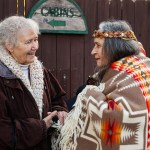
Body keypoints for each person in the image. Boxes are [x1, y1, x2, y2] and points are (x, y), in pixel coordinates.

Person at [51, 20, 150, 150]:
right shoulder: (138, 64)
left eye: (98, 45)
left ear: (113, 47)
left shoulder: (130, 72)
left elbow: (121, 119)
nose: (93, 51)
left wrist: (89, 94)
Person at [0, 15, 68, 150]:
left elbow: (57, 100)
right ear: (9, 46)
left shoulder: (40, 70)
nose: (35, 47)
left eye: (36, 40)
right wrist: (41, 127)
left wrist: (60, 112)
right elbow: (3, 131)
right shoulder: (2, 76)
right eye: (28, 42)